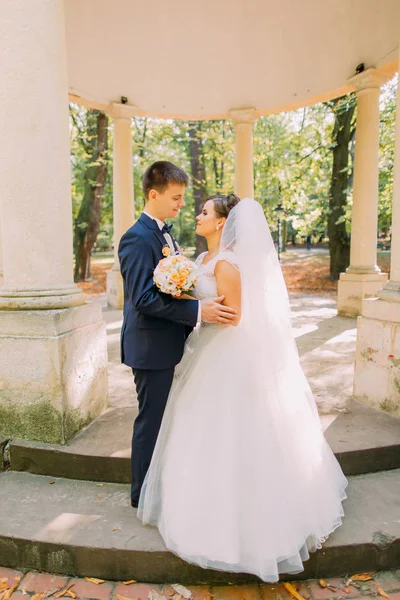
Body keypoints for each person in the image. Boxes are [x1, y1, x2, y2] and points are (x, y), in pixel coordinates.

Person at [137, 194, 348, 582]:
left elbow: (233, 318)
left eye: (204, 212)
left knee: (230, 432)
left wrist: (200, 310)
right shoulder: (201, 261)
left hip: (224, 355)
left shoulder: (228, 265)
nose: (197, 215)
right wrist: (183, 295)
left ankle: (245, 527)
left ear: (221, 223)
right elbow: (201, 303)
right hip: (202, 350)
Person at [118, 162, 237, 508]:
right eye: (176, 198)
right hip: (149, 346)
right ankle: (141, 494)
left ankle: (161, 483)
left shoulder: (164, 234)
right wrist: (198, 311)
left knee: (167, 419)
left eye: (183, 198)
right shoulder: (136, 238)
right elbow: (142, 298)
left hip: (170, 343)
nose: (181, 205)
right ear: (153, 195)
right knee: (151, 421)